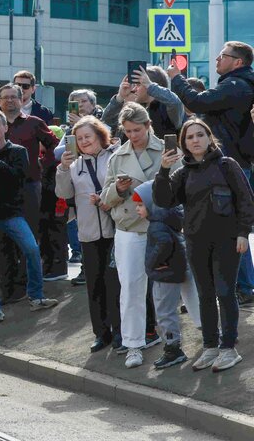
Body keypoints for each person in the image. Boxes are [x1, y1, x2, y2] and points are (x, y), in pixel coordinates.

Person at [154, 118, 254, 373]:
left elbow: (245, 200)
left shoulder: (227, 165)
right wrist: (163, 170)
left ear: (209, 138)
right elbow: (163, 201)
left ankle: (229, 348)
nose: (195, 140)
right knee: (205, 295)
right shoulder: (182, 172)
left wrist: (243, 233)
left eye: (200, 134)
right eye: (190, 137)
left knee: (225, 292)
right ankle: (210, 346)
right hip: (195, 241)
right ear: (183, 144)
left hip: (226, 240)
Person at [169, 42, 254, 304]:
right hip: (234, 161)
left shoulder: (235, 86)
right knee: (230, 226)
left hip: (231, 163)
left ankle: (244, 287)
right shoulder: (237, 85)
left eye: (222, 56)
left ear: (238, 62)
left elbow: (197, 101)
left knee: (231, 227)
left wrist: (177, 78)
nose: (217, 59)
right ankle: (242, 286)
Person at [0, 110, 58, 324]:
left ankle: (36, 296)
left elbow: (18, 180)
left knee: (31, 249)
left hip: (11, 213)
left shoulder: (18, 151)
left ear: (6, 128)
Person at [101, 103, 163, 368]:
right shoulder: (117, 157)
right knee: (131, 290)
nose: (132, 135)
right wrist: (118, 188)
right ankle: (133, 345)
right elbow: (105, 200)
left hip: (161, 226)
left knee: (173, 288)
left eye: (137, 130)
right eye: (127, 131)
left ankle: (179, 341)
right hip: (128, 228)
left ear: (148, 125)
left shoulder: (166, 150)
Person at [55, 116, 121, 353]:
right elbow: (63, 193)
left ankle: (120, 331)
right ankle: (100, 333)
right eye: (79, 138)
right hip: (89, 231)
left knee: (114, 283)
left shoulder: (115, 156)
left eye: (88, 136)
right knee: (95, 285)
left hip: (115, 229)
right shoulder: (74, 165)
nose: (84, 141)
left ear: (100, 136)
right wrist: (63, 168)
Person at [132, 179, 201, 370]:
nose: (137, 209)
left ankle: (173, 349)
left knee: (164, 312)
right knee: (190, 303)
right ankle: (212, 334)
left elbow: (163, 244)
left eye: (140, 205)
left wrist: (151, 263)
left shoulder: (157, 225)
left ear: (151, 204)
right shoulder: (169, 218)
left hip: (165, 274)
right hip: (176, 268)